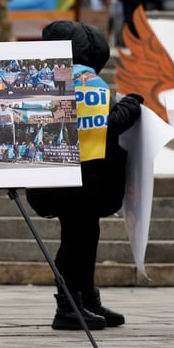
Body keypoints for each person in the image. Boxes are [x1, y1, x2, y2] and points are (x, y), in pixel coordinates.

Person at [25, 21, 143, 330]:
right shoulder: (85, 81)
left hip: (61, 177)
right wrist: (132, 105)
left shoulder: (43, 77)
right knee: (76, 238)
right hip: (78, 179)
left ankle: (86, 299)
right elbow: (107, 124)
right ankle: (68, 307)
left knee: (85, 234)